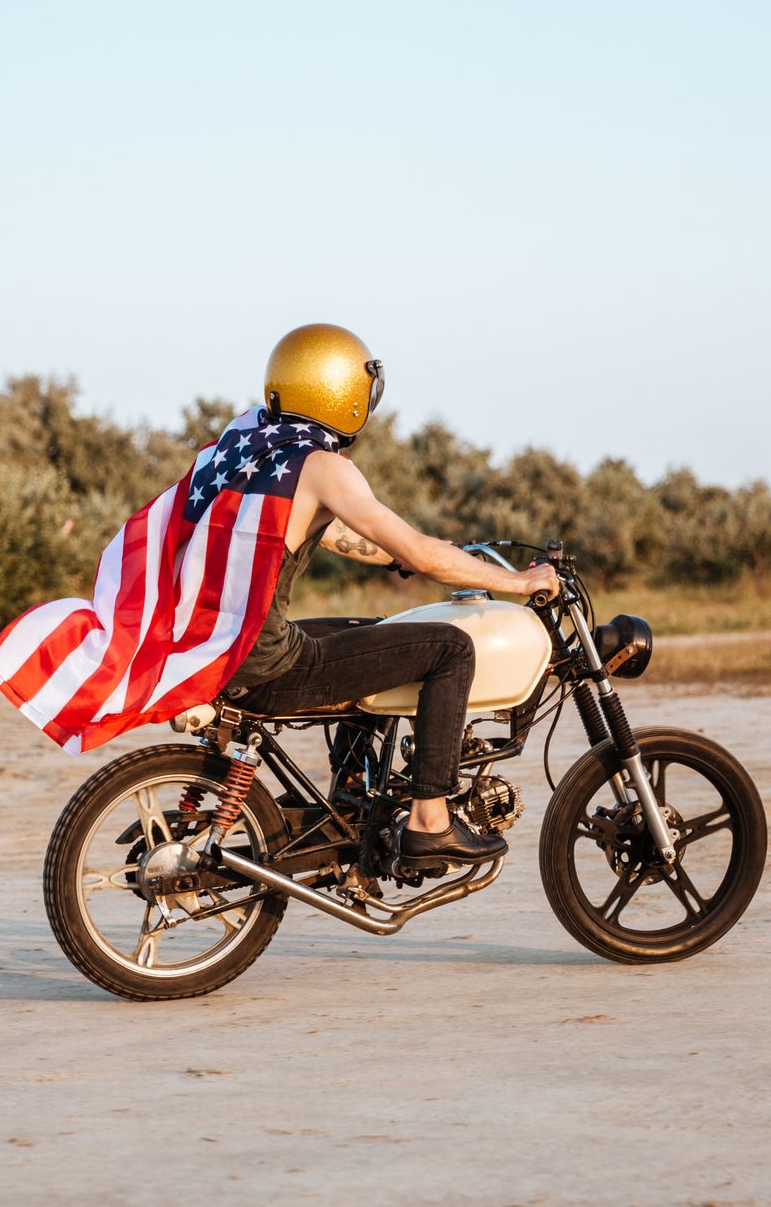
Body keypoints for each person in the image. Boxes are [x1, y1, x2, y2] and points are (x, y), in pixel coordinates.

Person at [215, 324, 561, 866]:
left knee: (376, 638)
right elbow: (425, 557)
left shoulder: (248, 450)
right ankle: (430, 821)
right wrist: (520, 582)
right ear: (343, 394)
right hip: (262, 662)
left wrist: (400, 552)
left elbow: (338, 535)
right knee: (450, 648)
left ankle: (352, 799)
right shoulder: (323, 467)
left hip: (219, 642)